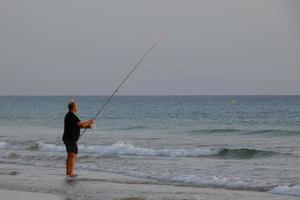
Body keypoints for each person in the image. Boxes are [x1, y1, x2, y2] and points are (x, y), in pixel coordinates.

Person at [62, 100, 95, 177]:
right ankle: (71, 173)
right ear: (73, 107)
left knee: (71, 155)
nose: (77, 108)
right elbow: (81, 124)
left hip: (69, 138)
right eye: (76, 106)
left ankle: (68, 172)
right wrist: (89, 121)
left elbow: (79, 126)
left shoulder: (69, 115)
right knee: (72, 155)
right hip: (70, 139)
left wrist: (88, 126)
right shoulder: (71, 116)